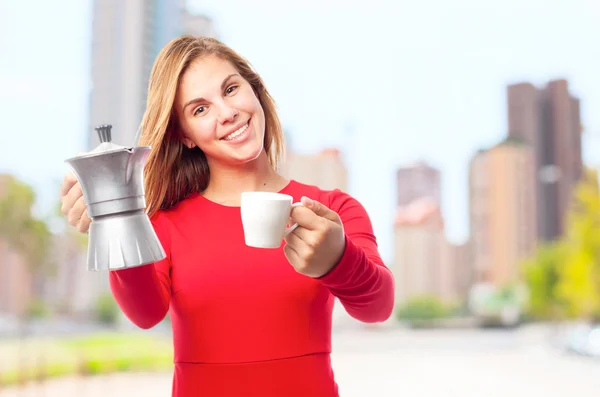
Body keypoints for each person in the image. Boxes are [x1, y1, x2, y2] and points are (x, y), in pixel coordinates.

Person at [59, 35, 395, 397]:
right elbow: (145, 314)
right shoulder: (163, 225)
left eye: (231, 89)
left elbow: (378, 307)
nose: (226, 112)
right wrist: (117, 223)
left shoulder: (332, 210)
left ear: (255, 90)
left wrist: (339, 261)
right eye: (200, 109)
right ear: (185, 136)